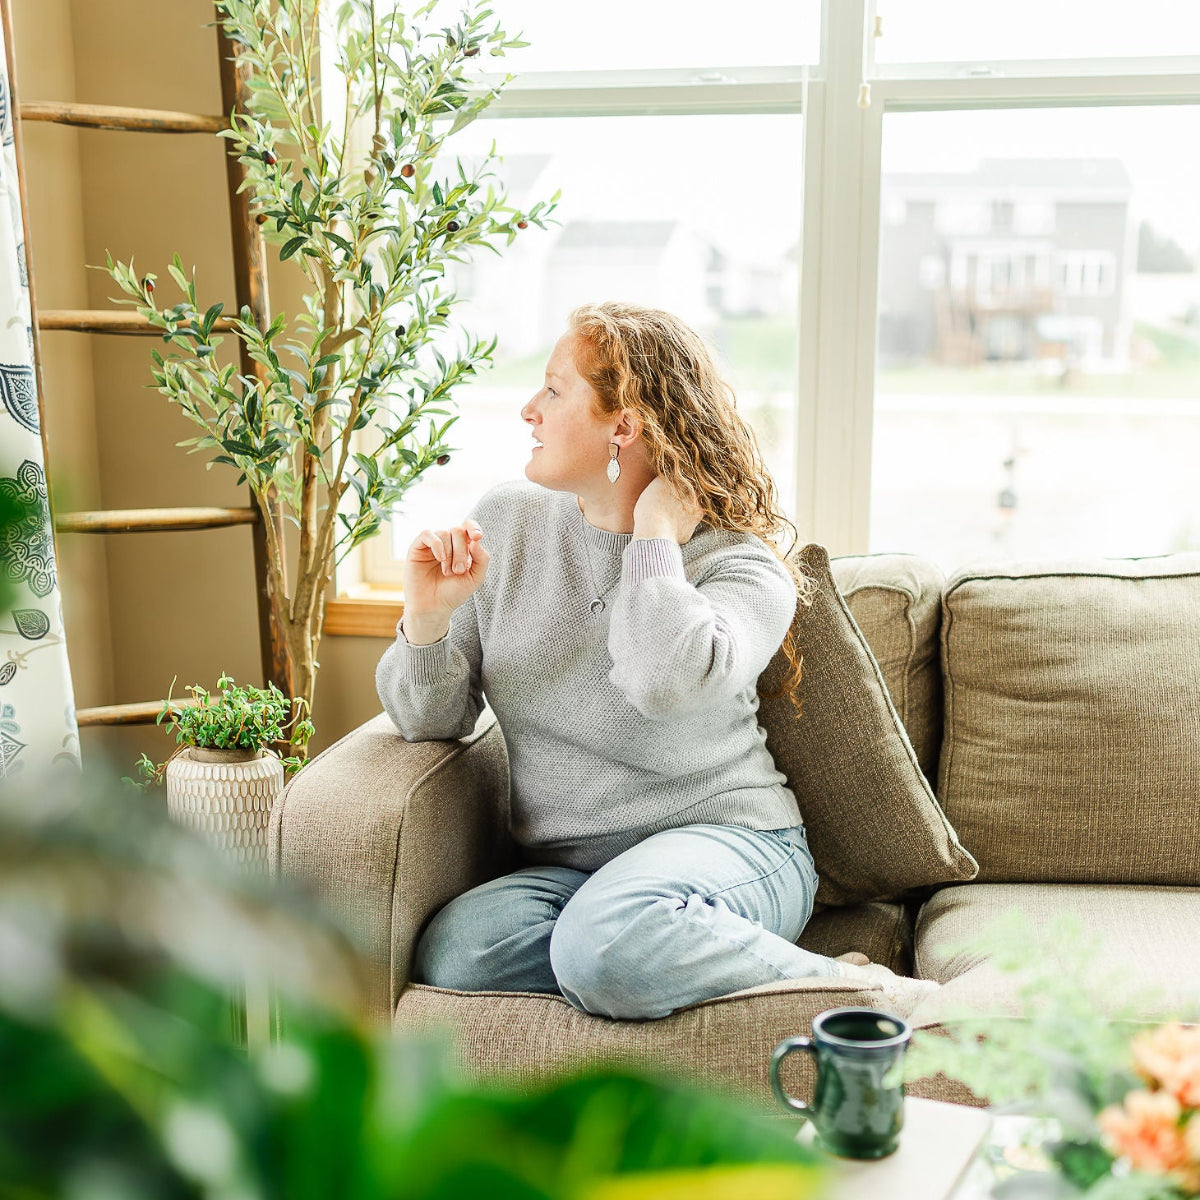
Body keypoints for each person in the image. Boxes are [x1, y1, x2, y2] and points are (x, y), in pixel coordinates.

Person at [376, 301, 933, 1020]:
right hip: (578, 875)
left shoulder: (742, 567)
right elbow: (432, 724)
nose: (528, 409)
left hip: (733, 847)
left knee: (600, 950)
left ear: (624, 426)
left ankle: (860, 989)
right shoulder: (508, 522)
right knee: (460, 950)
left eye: (552, 390)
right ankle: (679, 950)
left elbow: (657, 682)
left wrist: (654, 537)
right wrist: (427, 617)